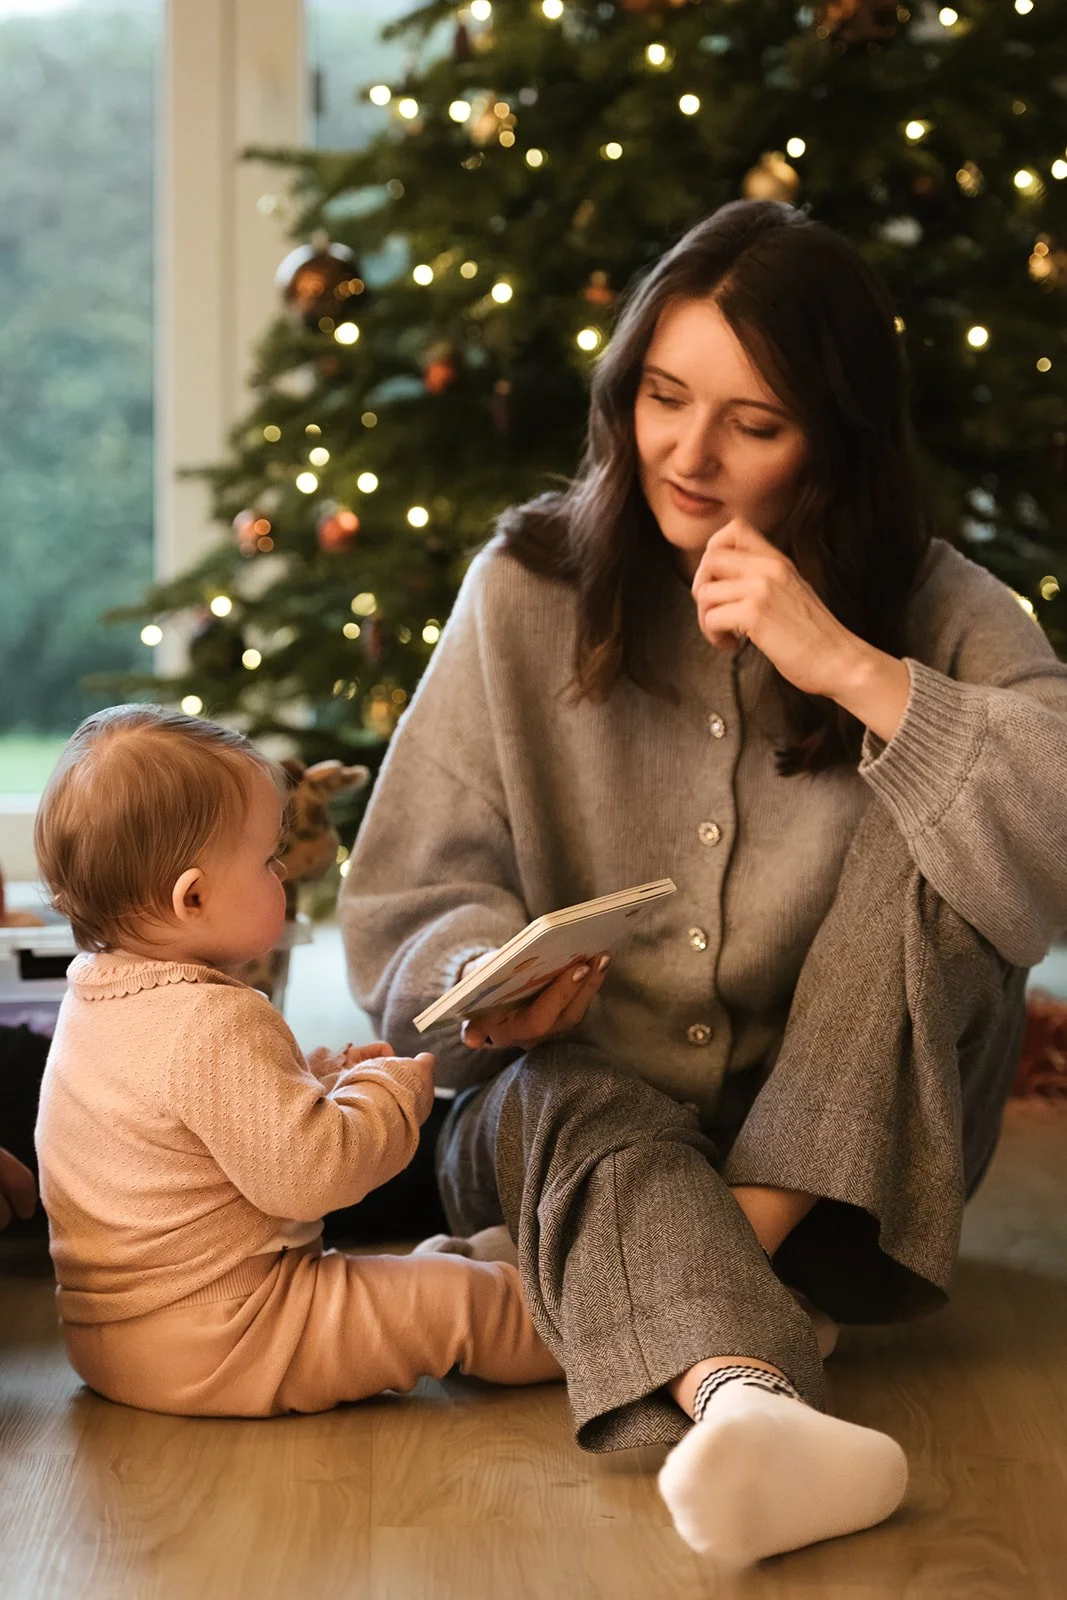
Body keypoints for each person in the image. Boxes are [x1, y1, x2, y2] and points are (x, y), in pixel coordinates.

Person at [341, 199, 1067, 1566]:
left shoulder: (934, 603)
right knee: (565, 1094)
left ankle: (670, 1276)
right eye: (662, 398)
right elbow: (405, 897)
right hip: (566, 1121)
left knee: (945, 826)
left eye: (753, 422)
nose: (686, 453)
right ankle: (741, 1382)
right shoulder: (524, 584)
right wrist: (486, 986)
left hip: (860, 1197)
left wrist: (857, 675)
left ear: (833, 443)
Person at [32, 704, 559, 1418]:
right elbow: (313, 1175)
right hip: (232, 1335)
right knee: (459, 1307)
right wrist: (385, 1089)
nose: (285, 872)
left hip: (117, 1342)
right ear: (194, 898)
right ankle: (608, 1328)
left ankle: (485, 1260)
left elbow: (206, 1125)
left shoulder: (96, 998)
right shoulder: (213, 1018)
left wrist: (320, 1078)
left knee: (421, 1276)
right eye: (269, 860)